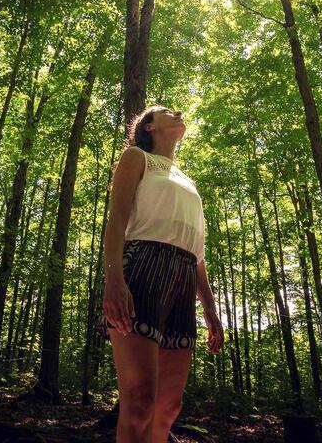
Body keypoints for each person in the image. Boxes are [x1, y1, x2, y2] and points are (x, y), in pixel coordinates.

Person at [94, 104, 224, 443]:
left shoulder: (187, 180)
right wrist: (114, 281)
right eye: (167, 111)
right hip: (142, 268)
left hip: (183, 279)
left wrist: (210, 309)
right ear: (148, 126)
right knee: (138, 401)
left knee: (168, 405)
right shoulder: (136, 158)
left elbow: (197, 252)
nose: (179, 112)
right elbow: (117, 223)